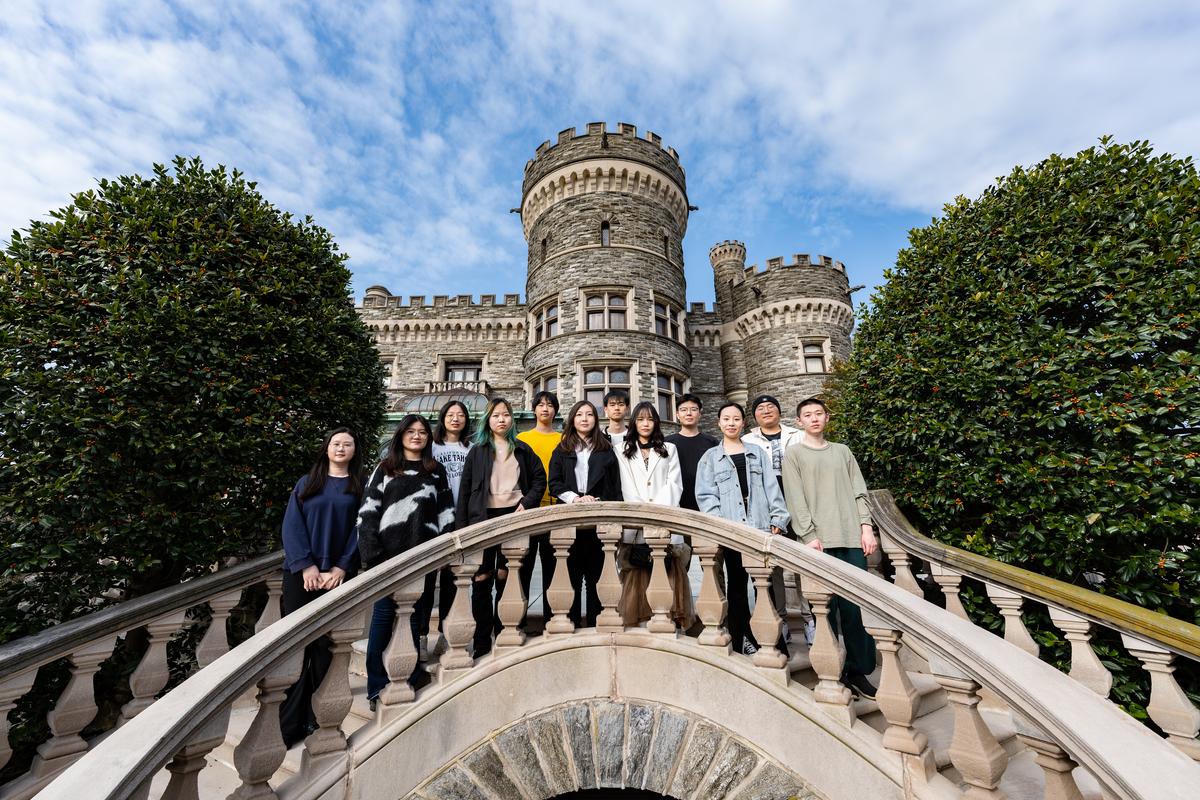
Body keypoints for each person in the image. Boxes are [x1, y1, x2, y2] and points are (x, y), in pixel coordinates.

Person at [782, 396, 878, 699]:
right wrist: (808, 535)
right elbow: (795, 498)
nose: (813, 418)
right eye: (807, 415)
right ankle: (832, 670)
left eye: (819, 413)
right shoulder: (794, 454)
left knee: (855, 609)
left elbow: (859, 490)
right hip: (817, 542)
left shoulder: (843, 452)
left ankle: (858, 670)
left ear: (827, 418)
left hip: (850, 536)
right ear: (799, 422)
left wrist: (866, 526)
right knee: (825, 609)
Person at [357, 415, 455, 709]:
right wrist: (373, 556)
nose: (416, 436)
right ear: (401, 436)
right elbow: (368, 512)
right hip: (388, 558)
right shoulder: (385, 469)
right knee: (383, 620)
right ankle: (376, 685)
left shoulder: (435, 471)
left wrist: (442, 549)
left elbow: (446, 512)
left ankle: (409, 677)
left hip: (421, 557)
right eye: (411, 432)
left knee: (413, 620)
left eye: (422, 432)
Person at [278, 427, 364, 746]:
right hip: (302, 576)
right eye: (335, 443)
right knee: (296, 645)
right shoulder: (307, 483)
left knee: (326, 648)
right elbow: (292, 525)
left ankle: (318, 718)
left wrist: (341, 566)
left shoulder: (359, 487)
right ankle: (290, 724)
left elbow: (361, 529)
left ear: (355, 451)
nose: (340, 448)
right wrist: (306, 565)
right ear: (327, 448)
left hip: (337, 578)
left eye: (347, 444)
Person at [695, 404, 789, 656]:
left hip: (759, 528)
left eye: (736, 419)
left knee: (764, 586)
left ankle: (773, 640)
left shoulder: (757, 453)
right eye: (726, 419)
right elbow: (705, 496)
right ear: (719, 423)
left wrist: (778, 518)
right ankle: (741, 638)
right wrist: (721, 525)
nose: (731, 423)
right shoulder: (710, 458)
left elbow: (772, 488)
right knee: (737, 586)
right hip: (732, 531)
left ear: (742, 423)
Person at [456, 398, 546, 657]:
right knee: (482, 579)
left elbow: (540, 479)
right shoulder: (478, 450)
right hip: (482, 519)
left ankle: (504, 631)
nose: (501, 419)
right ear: (488, 420)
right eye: (496, 415)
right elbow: (465, 490)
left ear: (511, 419)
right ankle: (482, 642)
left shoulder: (523, 449)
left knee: (507, 578)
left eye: (506, 415)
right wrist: (463, 528)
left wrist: (526, 503)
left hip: (513, 518)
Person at [614, 401, 693, 629]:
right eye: (640, 419)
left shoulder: (669, 449)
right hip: (635, 524)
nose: (646, 423)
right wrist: (642, 514)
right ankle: (640, 620)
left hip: (664, 519)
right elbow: (626, 487)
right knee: (637, 573)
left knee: (668, 572)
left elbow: (674, 484)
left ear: (656, 422)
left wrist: (657, 512)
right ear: (634, 423)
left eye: (650, 419)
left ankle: (666, 619)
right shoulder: (621, 450)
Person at [744, 394, 814, 644]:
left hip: (799, 501)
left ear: (779, 411)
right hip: (768, 504)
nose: (766, 411)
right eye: (760, 408)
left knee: (803, 563)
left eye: (770, 406)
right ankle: (780, 619)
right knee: (772, 565)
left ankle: (810, 620)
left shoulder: (797, 435)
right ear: (754, 416)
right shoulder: (747, 440)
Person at [547, 400, 622, 626]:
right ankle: (570, 626)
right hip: (570, 519)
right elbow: (555, 483)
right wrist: (575, 498)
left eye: (590, 414)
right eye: (579, 414)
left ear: (596, 420)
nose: (585, 418)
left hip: (598, 520)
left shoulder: (606, 450)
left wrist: (597, 500)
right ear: (573, 419)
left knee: (595, 577)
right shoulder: (562, 449)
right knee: (571, 576)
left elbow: (614, 486)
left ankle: (592, 626)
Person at [419, 400, 473, 661]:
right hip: (433, 517)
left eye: (460, 415)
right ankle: (419, 636)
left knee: (456, 579)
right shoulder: (431, 447)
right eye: (450, 415)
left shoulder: (472, 448)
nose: (455, 419)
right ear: (442, 418)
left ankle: (446, 634)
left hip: (462, 518)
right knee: (427, 581)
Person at [516, 391, 561, 622]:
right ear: (534, 409)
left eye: (550, 405)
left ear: (556, 410)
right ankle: (518, 621)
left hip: (554, 511)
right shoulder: (522, 438)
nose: (545, 409)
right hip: (527, 511)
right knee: (522, 567)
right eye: (541, 404)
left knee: (553, 570)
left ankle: (550, 621)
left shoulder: (562, 439)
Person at [664, 393, 718, 513]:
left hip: (706, 506)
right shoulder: (667, 443)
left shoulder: (712, 443)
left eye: (693, 409)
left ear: (700, 414)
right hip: (675, 505)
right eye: (683, 410)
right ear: (677, 414)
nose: (688, 413)